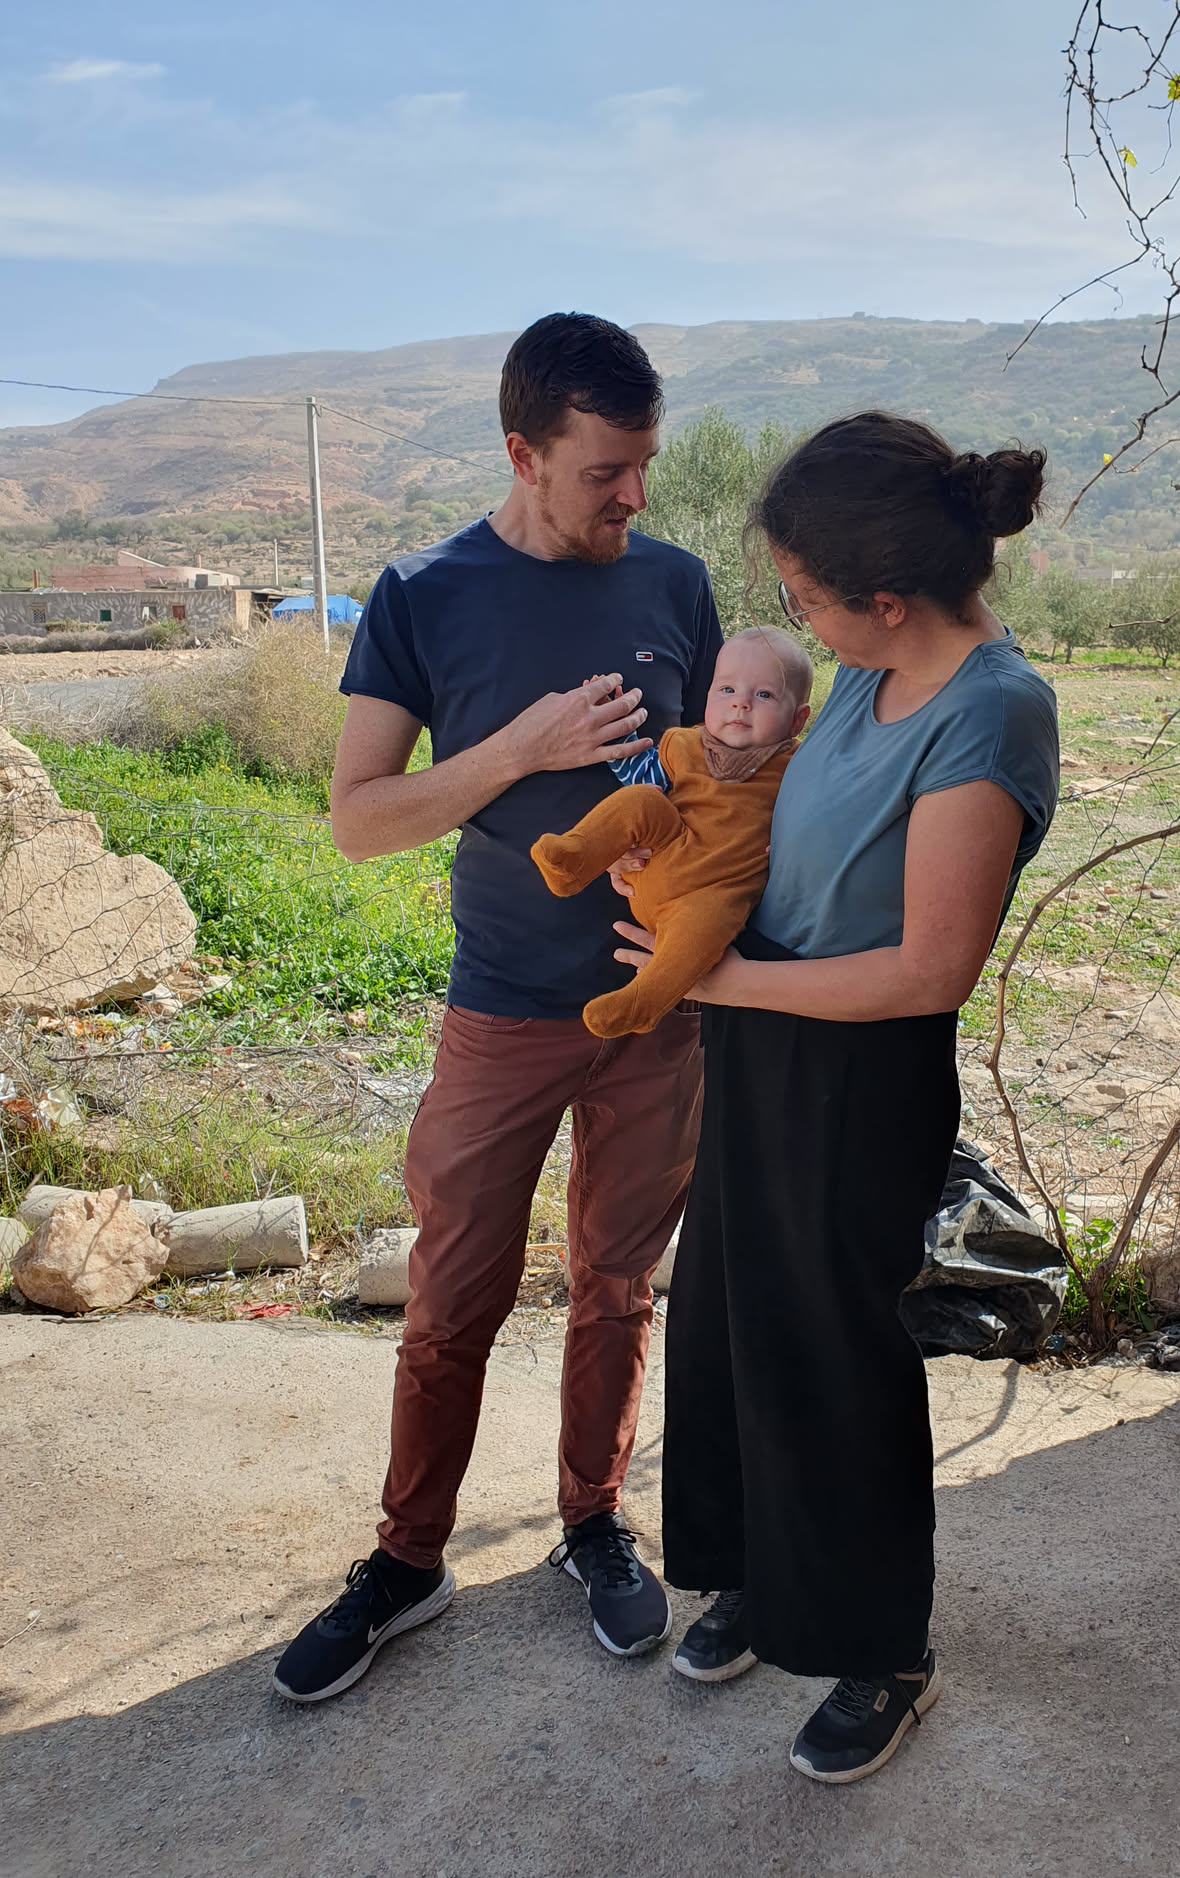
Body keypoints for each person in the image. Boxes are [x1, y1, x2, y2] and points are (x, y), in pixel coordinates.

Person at [273, 313, 724, 1704]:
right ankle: (409, 1559)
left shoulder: (676, 583)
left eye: (644, 467)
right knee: (453, 1295)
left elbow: (722, 777)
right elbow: (359, 820)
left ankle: (592, 1522)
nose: (634, 496)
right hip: (504, 1012)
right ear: (523, 454)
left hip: (654, 1015)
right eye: (605, 472)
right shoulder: (425, 593)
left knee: (617, 1286)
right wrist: (517, 751)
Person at [611, 412, 1060, 1782]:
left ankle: (883, 1650)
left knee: (834, 1353)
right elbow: (787, 839)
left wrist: (726, 980)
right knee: (735, 1321)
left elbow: (929, 969)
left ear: (886, 597)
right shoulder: (868, 677)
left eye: (806, 597)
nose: (795, 620)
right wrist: (674, 872)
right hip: (766, 1031)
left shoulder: (991, 710)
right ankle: (763, 1580)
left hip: (858, 1066)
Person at [531, 627, 813, 1036]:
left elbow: (813, 821)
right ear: (708, 696)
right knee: (643, 800)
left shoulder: (796, 768)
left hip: (713, 891)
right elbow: (641, 776)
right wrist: (619, 729)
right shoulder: (684, 745)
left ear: (797, 719)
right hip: (661, 854)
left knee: (708, 928)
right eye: (727, 689)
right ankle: (572, 860)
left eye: (764, 695)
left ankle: (644, 1001)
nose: (741, 703)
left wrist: (792, 846)